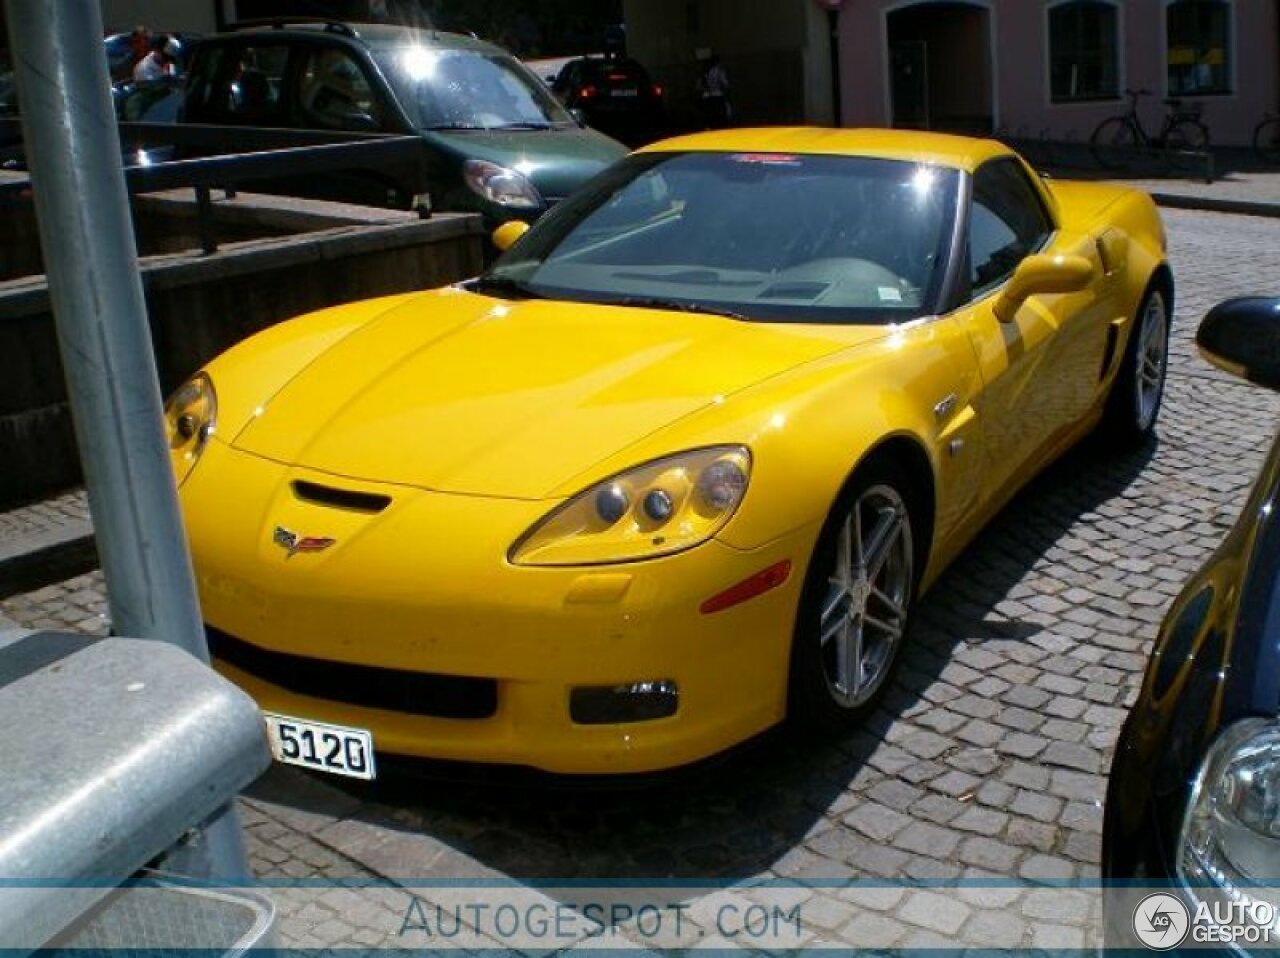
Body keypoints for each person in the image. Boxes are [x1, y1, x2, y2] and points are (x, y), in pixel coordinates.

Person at [697, 52, 731, 129]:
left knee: (709, 114)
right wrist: (727, 88)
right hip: (717, 94)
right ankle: (720, 126)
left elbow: (699, 85)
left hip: (707, 95)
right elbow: (725, 82)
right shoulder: (719, 70)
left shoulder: (703, 71)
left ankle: (709, 126)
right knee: (720, 113)